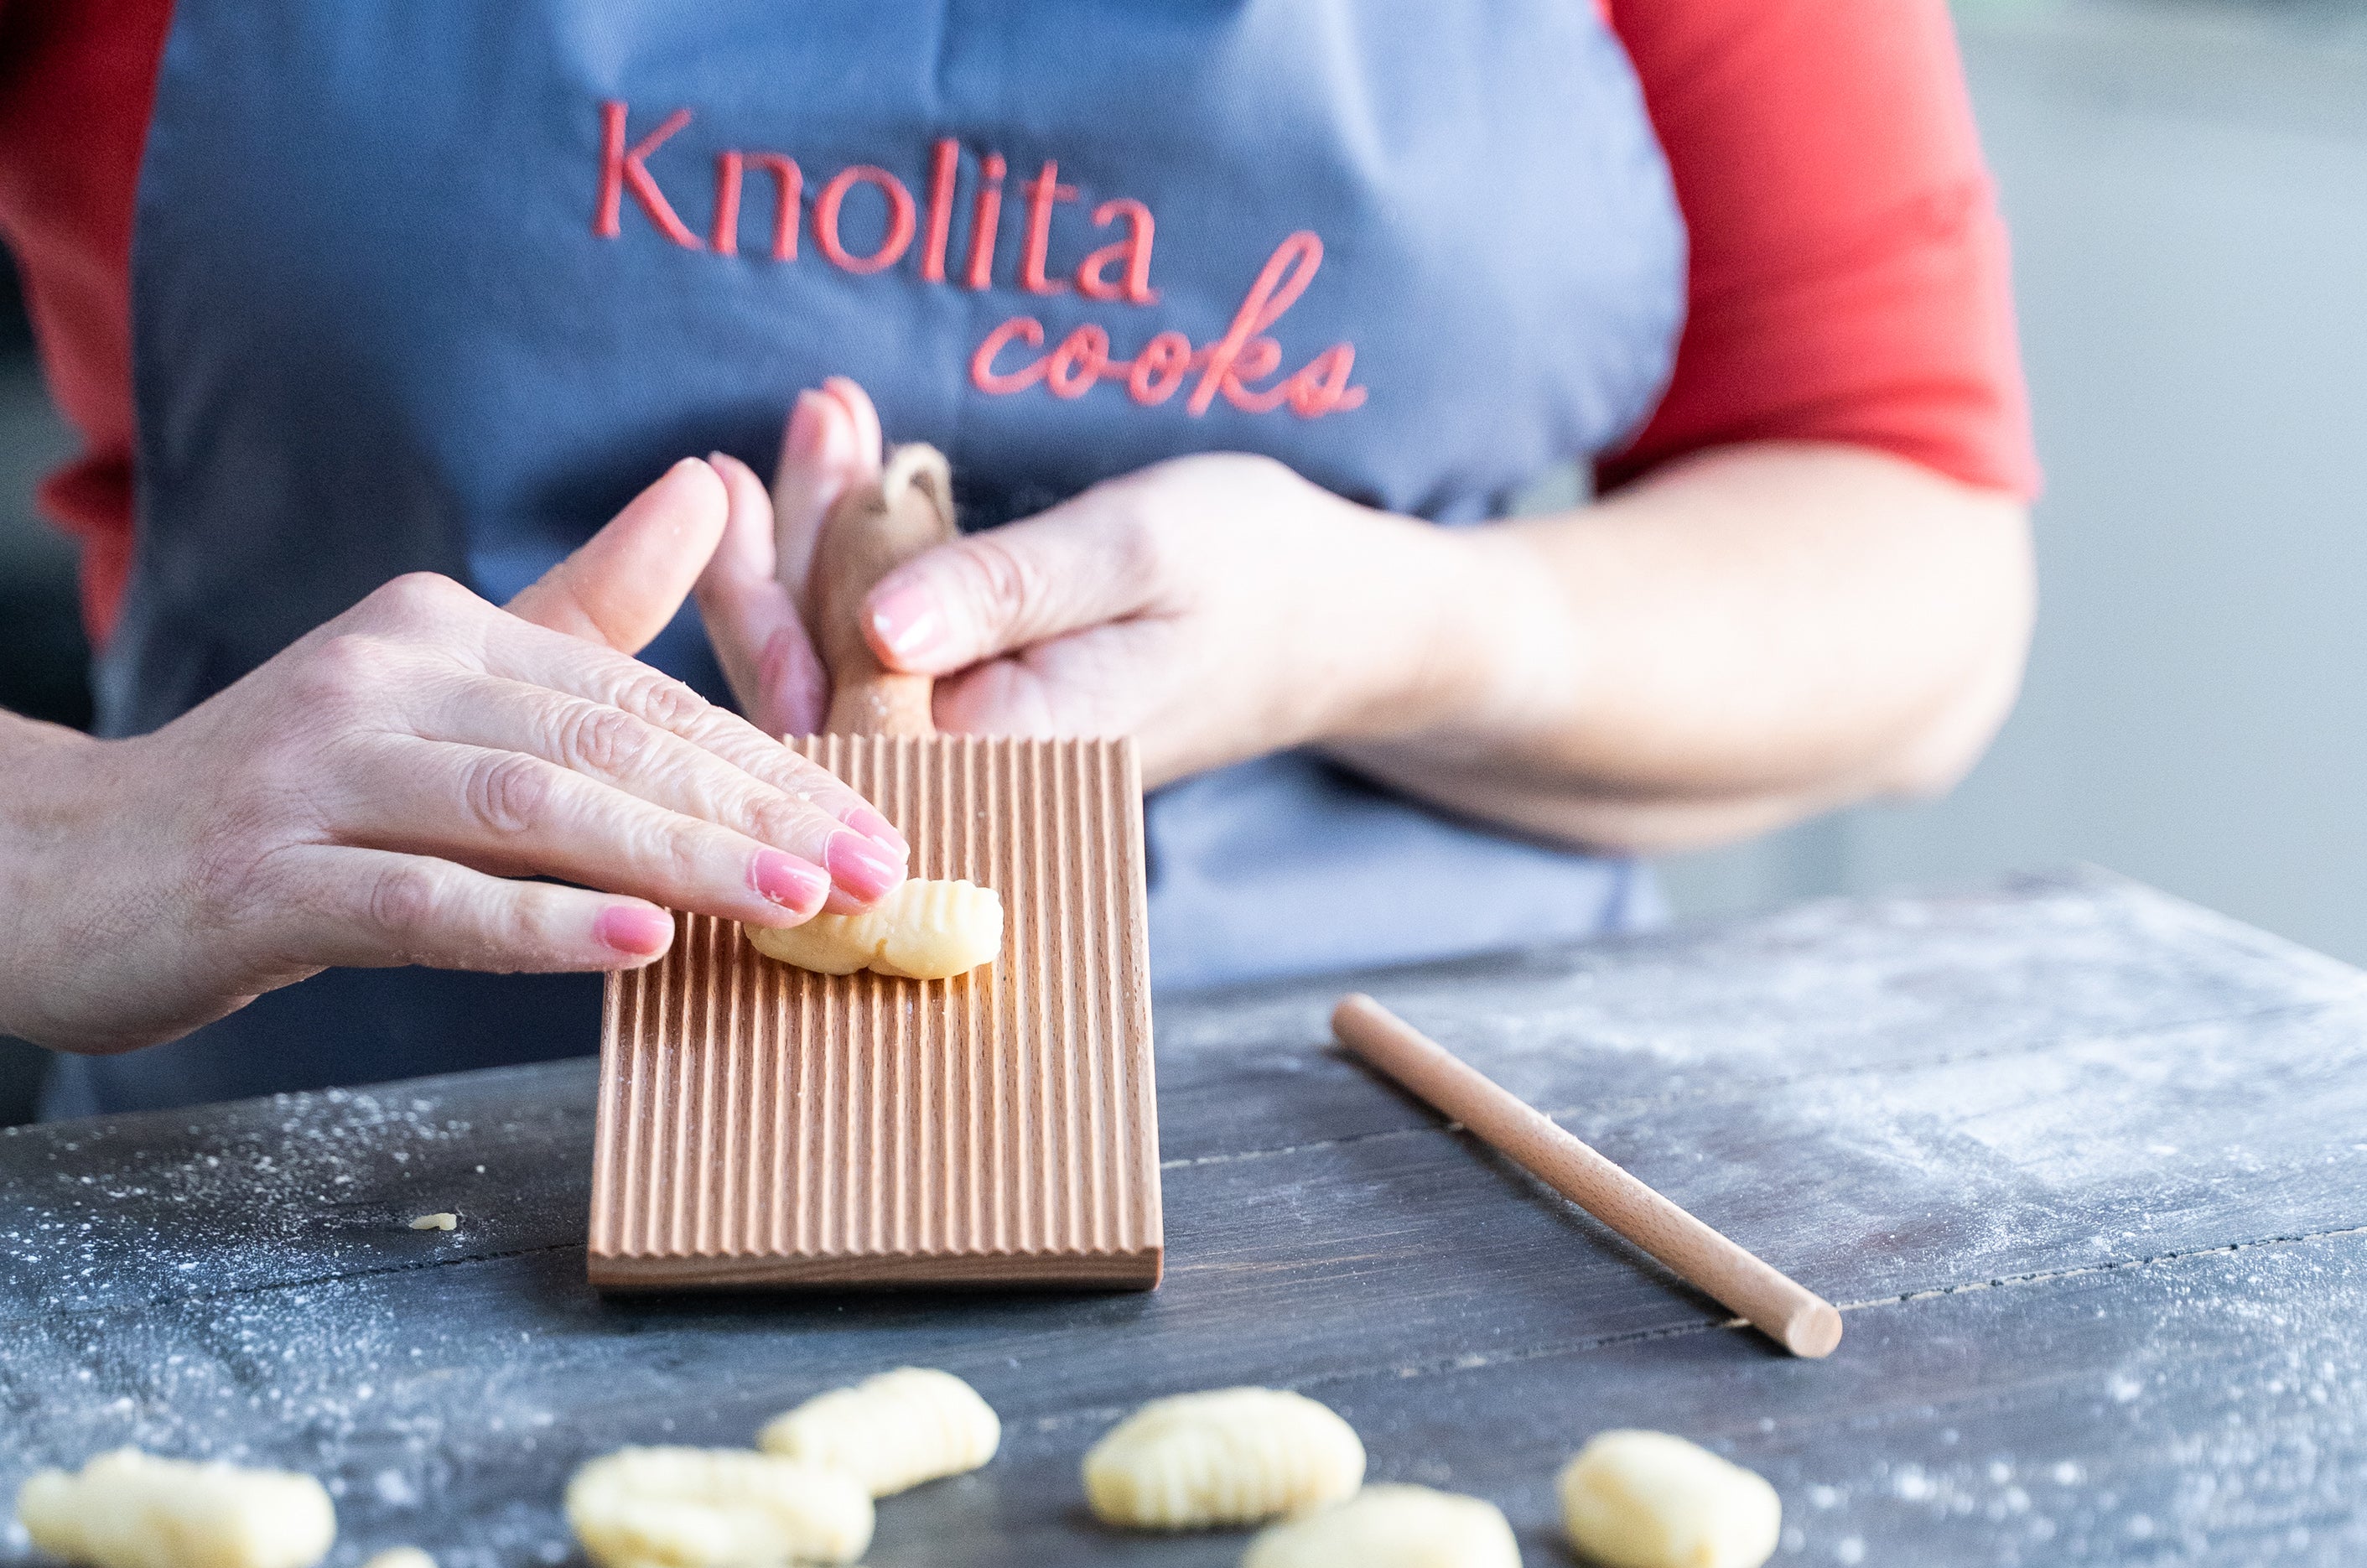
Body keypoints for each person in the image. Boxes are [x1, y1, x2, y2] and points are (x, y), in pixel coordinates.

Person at [0, 0, 2037, 1118]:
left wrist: (1392, 632)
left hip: (1415, 1224)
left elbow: (1912, 572)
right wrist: (74, 842)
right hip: (327, 1239)